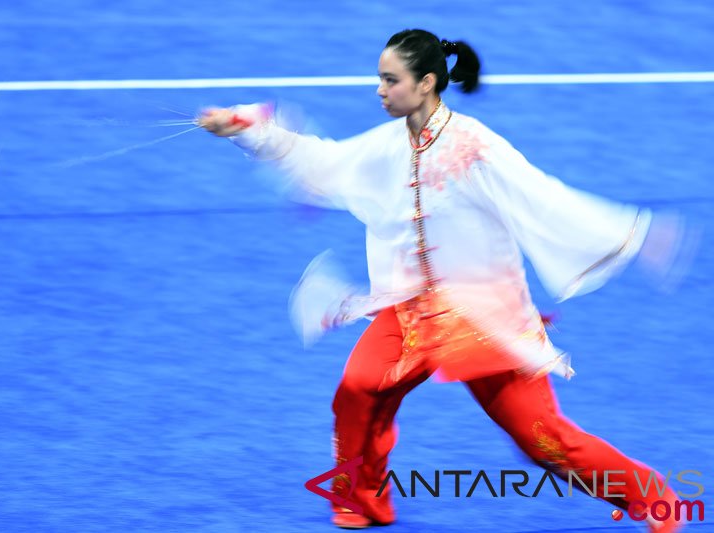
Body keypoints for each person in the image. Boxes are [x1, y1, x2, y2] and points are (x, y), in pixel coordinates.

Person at [199, 29, 688, 532]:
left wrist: (632, 234)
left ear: (426, 82)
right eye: (380, 79)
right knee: (359, 388)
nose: (380, 90)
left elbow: (543, 196)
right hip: (410, 309)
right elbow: (323, 161)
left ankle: (650, 495)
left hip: (481, 319)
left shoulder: (476, 147)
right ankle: (362, 499)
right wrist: (246, 128)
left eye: (390, 80)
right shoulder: (387, 144)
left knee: (541, 439)